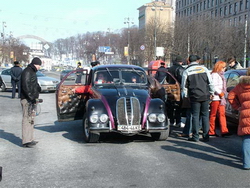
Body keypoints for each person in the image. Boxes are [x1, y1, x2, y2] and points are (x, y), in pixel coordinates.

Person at [181, 55, 215, 142]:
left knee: (195, 116)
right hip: (205, 95)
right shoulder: (204, 69)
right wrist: (212, 92)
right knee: (205, 115)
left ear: (189, 61)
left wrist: (185, 96)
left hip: (194, 96)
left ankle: (195, 136)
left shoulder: (187, 71)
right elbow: (210, 82)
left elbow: (184, 86)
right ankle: (206, 136)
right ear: (197, 61)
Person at [228, 67, 250, 170]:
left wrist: (238, 107)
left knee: (247, 139)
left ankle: (247, 163)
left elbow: (230, 96)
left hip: (245, 113)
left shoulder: (241, 85)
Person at [20, 57, 42, 148]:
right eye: (38, 65)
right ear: (34, 64)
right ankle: (26, 141)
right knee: (27, 119)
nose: (39, 67)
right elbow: (25, 86)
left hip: (32, 99)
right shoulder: (27, 72)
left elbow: (33, 84)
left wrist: (38, 88)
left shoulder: (32, 72)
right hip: (27, 99)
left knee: (31, 119)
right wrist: (31, 97)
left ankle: (30, 138)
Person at [209, 61, 231, 137]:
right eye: (224, 67)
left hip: (221, 98)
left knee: (222, 114)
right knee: (213, 115)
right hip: (216, 98)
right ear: (220, 67)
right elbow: (213, 86)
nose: (225, 69)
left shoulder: (221, 75)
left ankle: (224, 131)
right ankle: (211, 131)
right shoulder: (214, 75)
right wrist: (221, 93)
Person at [167, 55, 185, 127]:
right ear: (181, 62)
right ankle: (178, 121)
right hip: (178, 89)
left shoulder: (170, 69)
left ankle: (171, 121)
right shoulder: (180, 69)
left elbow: (168, 79)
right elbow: (182, 80)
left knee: (171, 105)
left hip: (171, 88)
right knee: (178, 105)